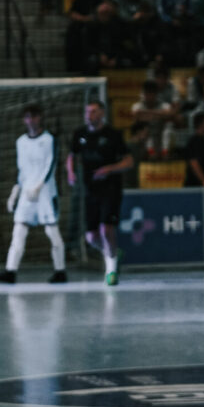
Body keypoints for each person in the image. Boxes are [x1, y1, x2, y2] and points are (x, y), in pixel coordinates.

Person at [0, 104, 68, 284]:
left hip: (45, 193)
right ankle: (10, 271)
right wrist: (15, 191)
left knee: (51, 230)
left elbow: (51, 165)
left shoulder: (49, 139)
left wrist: (39, 186)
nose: (31, 120)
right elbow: (22, 169)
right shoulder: (21, 142)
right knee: (19, 230)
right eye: (27, 117)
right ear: (23, 120)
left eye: (34, 116)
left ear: (40, 117)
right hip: (26, 193)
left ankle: (60, 271)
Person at [66, 100, 134, 286]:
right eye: (87, 112)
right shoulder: (80, 134)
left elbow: (129, 162)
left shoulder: (113, 135)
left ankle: (110, 271)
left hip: (110, 188)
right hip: (90, 190)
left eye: (94, 111)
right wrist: (71, 172)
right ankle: (113, 253)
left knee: (106, 228)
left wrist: (109, 169)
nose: (89, 115)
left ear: (102, 113)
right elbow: (71, 156)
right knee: (91, 237)